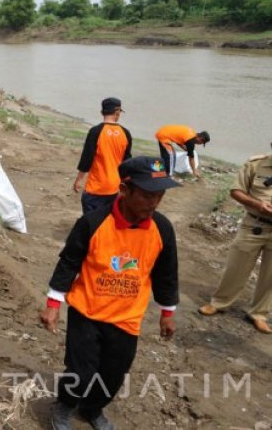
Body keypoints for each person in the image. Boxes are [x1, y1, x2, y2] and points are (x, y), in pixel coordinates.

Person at [41, 156, 180, 430]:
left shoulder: (162, 229)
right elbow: (68, 262)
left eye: (160, 196)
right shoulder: (93, 223)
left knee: (114, 374)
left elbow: (166, 274)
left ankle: (92, 409)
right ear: (125, 190)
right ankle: (65, 405)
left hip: (127, 319)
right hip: (87, 312)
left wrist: (167, 313)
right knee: (80, 373)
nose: (154, 203)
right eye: (147, 195)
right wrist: (53, 304)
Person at [199, 143, 272, 334]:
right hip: (254, 224)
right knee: (236, 267)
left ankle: (259, 314)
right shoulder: (255, 165)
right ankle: (219, 302)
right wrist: (257, 204)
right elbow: (236, 191)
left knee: (270, 276)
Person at [73, 97, 132, 214]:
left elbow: (87, 159)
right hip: (114, 188)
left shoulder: (95, 131)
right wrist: (126, 184)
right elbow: (127, 162)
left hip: (96, 187)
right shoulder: (125, 133)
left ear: (102, 112)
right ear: (117, 112)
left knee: (91, 219)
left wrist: (78, 180)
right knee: (107, 219)